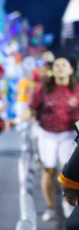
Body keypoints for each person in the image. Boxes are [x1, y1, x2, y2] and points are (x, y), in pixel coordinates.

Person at [31, 57, 79, 221]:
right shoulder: (43, 88)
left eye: (63, 65)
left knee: (66, 171)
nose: (59, 68)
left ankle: (67, 204)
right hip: (48, 134)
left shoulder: (77, 89)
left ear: (70, 70)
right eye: (57, 65)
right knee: (49, 170)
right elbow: (32, 108)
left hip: (69, 135)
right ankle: (50, 207)